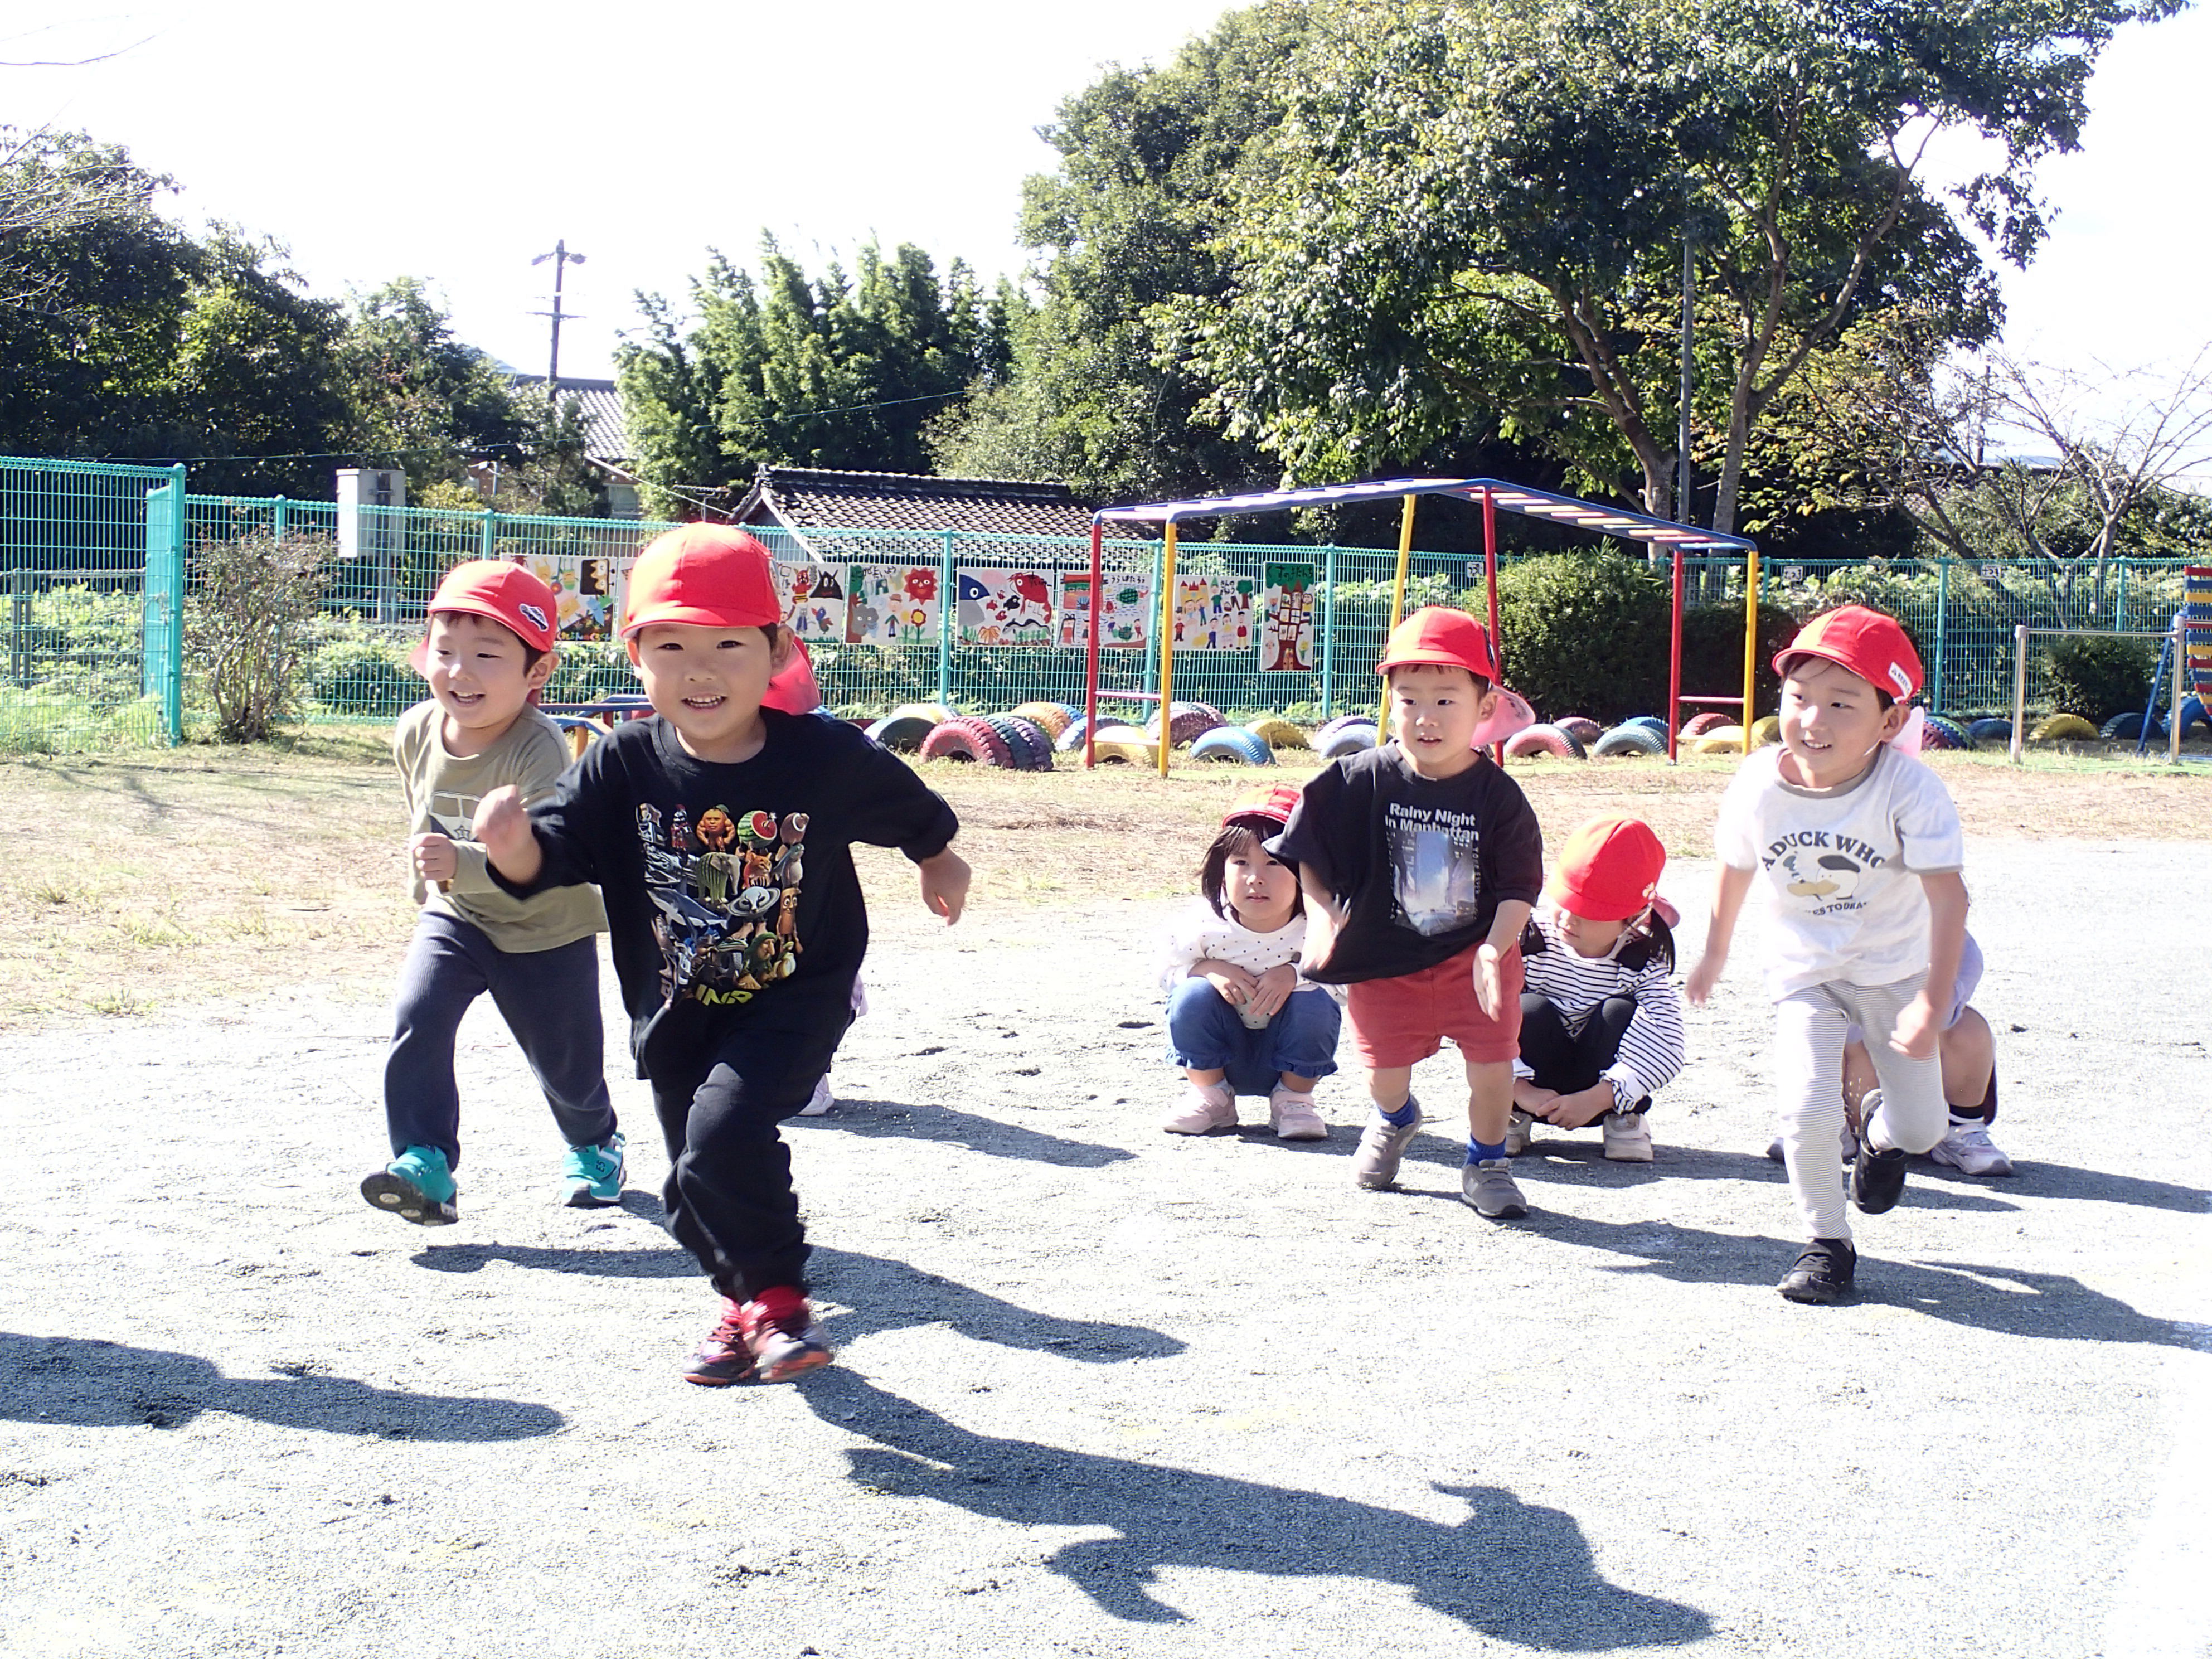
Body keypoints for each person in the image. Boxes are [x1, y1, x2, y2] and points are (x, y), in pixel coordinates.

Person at [472, 525, 971, 1385]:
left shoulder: (822, 757)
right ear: (637, 658)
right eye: (671, 647)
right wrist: (512, 848)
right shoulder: (623, 765)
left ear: (776, 650)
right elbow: (553, 857)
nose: (700, 672)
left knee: (726, 1132)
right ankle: (744, 1311)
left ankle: (778, 1305)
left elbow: (910, 808)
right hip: (676, 1010)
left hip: (795, 997)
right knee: (693, 1184)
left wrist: (939, 858)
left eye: (727, 646)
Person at [1687, 604, 1969, 1304]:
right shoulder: (1757, 782)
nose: (1812, 719)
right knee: (1805, 1106)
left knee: (1922, 1127)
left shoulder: (1909, 790)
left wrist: (1932, 1001)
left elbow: (1949, 900)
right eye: (1797, 697)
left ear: (1889, 721)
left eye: (1841, 704)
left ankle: (1879, 1134)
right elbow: (1734, 866)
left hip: (1892, 972)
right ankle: (1825, 1242)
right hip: (1803, 973)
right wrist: (1714, 952)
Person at [361, 560, 623, 1227]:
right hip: (458, 915)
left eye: (486, 655)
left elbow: (536, 859)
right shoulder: (416, 728)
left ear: (538, 671)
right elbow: (421, 811)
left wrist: (471, 854)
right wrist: (434, 881)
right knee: (418, 1017)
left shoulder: (540, 749)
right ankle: (424, 1161)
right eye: (445, 650)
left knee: (567, 1069)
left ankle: (595, 1143)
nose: (461, 671)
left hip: (544, 928)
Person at [1272, 606, 1545, 1219]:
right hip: (1382, 959)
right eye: (1409, 700)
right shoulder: (1357, 779)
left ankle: (1487, 1163)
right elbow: (1307, 851)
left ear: (1484, 706)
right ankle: (1395, 1119)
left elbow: (1519, 888)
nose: (1426, 717)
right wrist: (1322, 915)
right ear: (1389, 703)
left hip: (1474, 959)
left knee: (1493, 1068)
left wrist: (1494, 947)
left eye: (1446, 700)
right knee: (1384, 1072)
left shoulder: (1499, 796)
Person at [1158, 784, 1342, 1141]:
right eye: (1241, 863)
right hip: (1221, 1058)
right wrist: (1204, 969)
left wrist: (1295, 974)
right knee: (1190, 995)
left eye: (1274, 862)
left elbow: (1346, 987)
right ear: (1221, 869)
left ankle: (1294, 1103)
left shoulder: (1320, 927)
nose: (1256, 878)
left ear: (1308, 870)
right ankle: (1212, 1099)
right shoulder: (1202, 926)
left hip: (1289, 1061)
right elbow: (1165, 974)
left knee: (1317, 1002)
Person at [1506, 816, 1685, 1165]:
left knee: (1620, 1011)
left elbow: (1667, 1042)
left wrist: (1600, 1098)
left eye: (1589, 912)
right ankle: (1511, 1111)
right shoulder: (1527, 941)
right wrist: (1519, 1089)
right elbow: (1482, 1015)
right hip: (1530, 1089)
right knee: (1528, 1008)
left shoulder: (1641, 961)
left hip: (1606, 1094)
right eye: (1565, 902)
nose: (1568, 919)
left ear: (1634, 916)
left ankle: (1624, 1118)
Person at [1764, 930, 2014, 1176]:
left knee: (1969, 1027)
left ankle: (1960, 1127)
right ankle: (1821, 1126)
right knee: (1815, 1026)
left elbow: (1948, 1000)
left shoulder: (1942, 930)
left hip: (1917, 1070)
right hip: (1859, 1079)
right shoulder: (1832, 925)